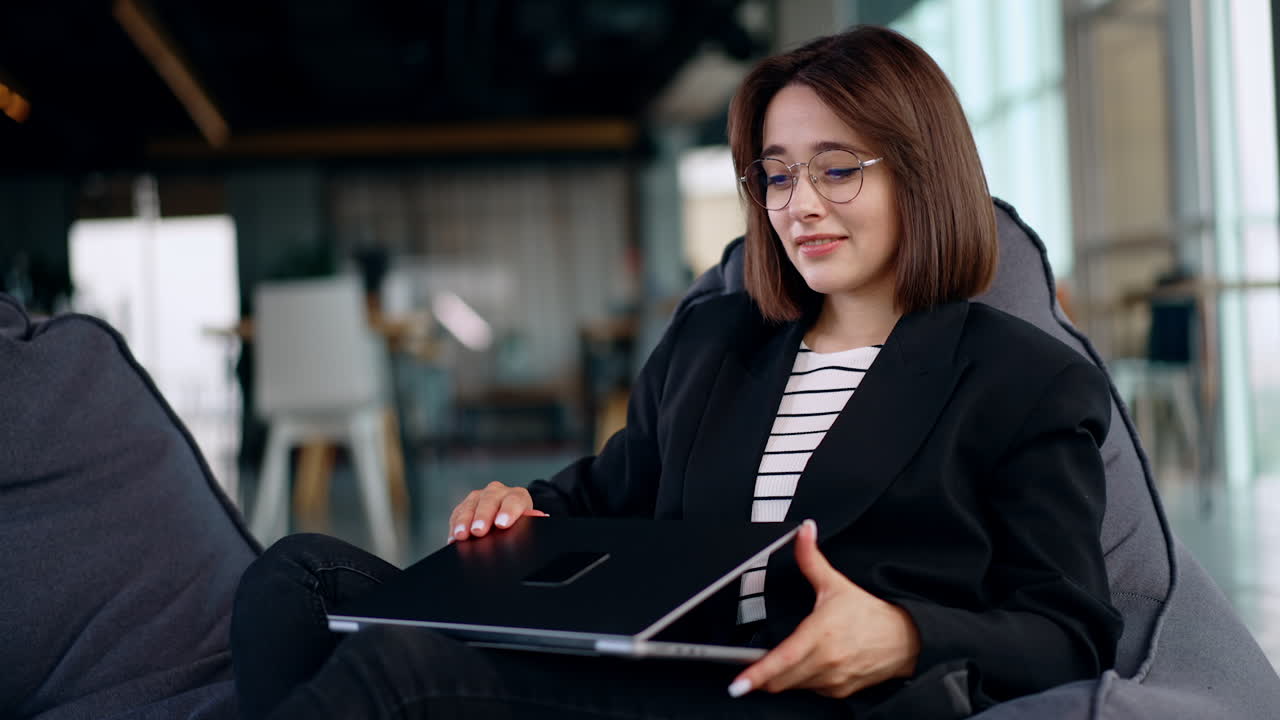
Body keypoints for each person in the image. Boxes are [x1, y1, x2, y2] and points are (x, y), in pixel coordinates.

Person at [231, 26, 1122, 719]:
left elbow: (1070, 633)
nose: (798, 206)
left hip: (799, 700)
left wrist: (902, 636)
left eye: (837, 170)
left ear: (922, 177)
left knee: (405, 670)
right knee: (298, 576)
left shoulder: (1023, 380)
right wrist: (521, 508)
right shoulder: (716, 343)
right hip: (645, 661)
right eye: (775, 178)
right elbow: (602, 496)